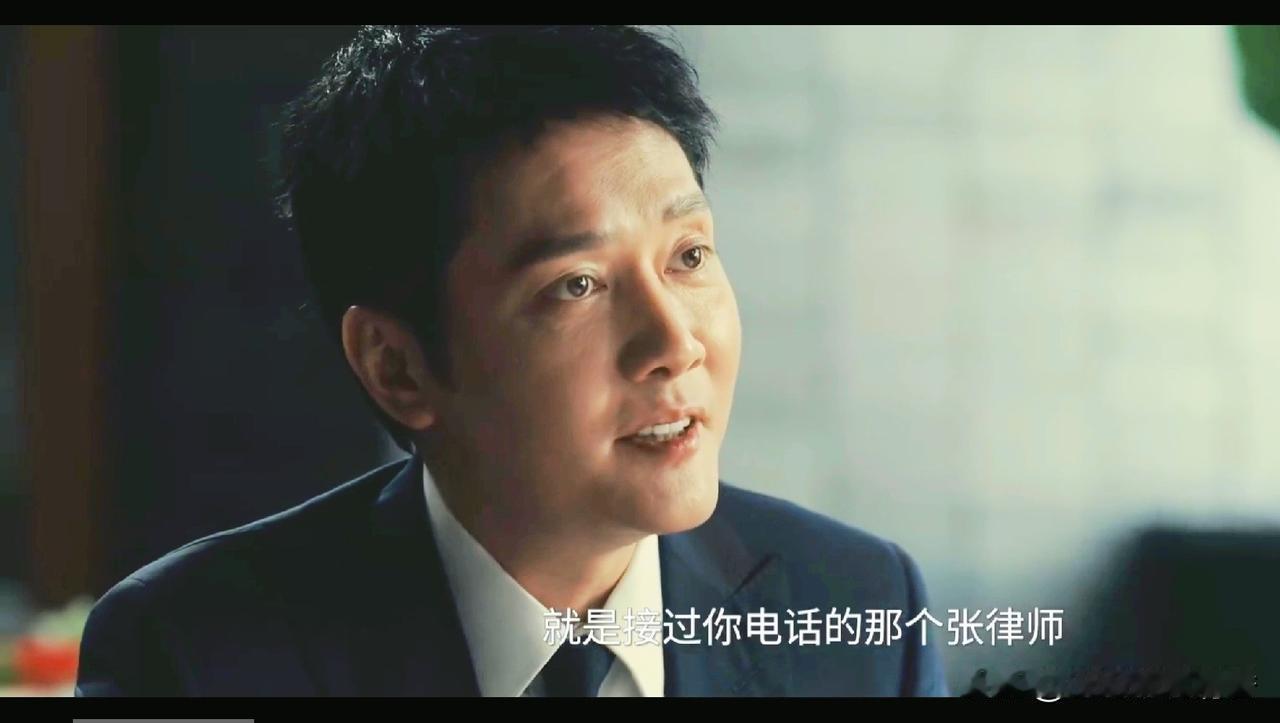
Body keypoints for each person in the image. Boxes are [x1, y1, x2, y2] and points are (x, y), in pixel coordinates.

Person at [75, 25, 949, 697]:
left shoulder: (862, 608)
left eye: (688, 256)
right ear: (398, 367)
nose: (675, 342)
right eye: (577, 284)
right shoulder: (190, 656)